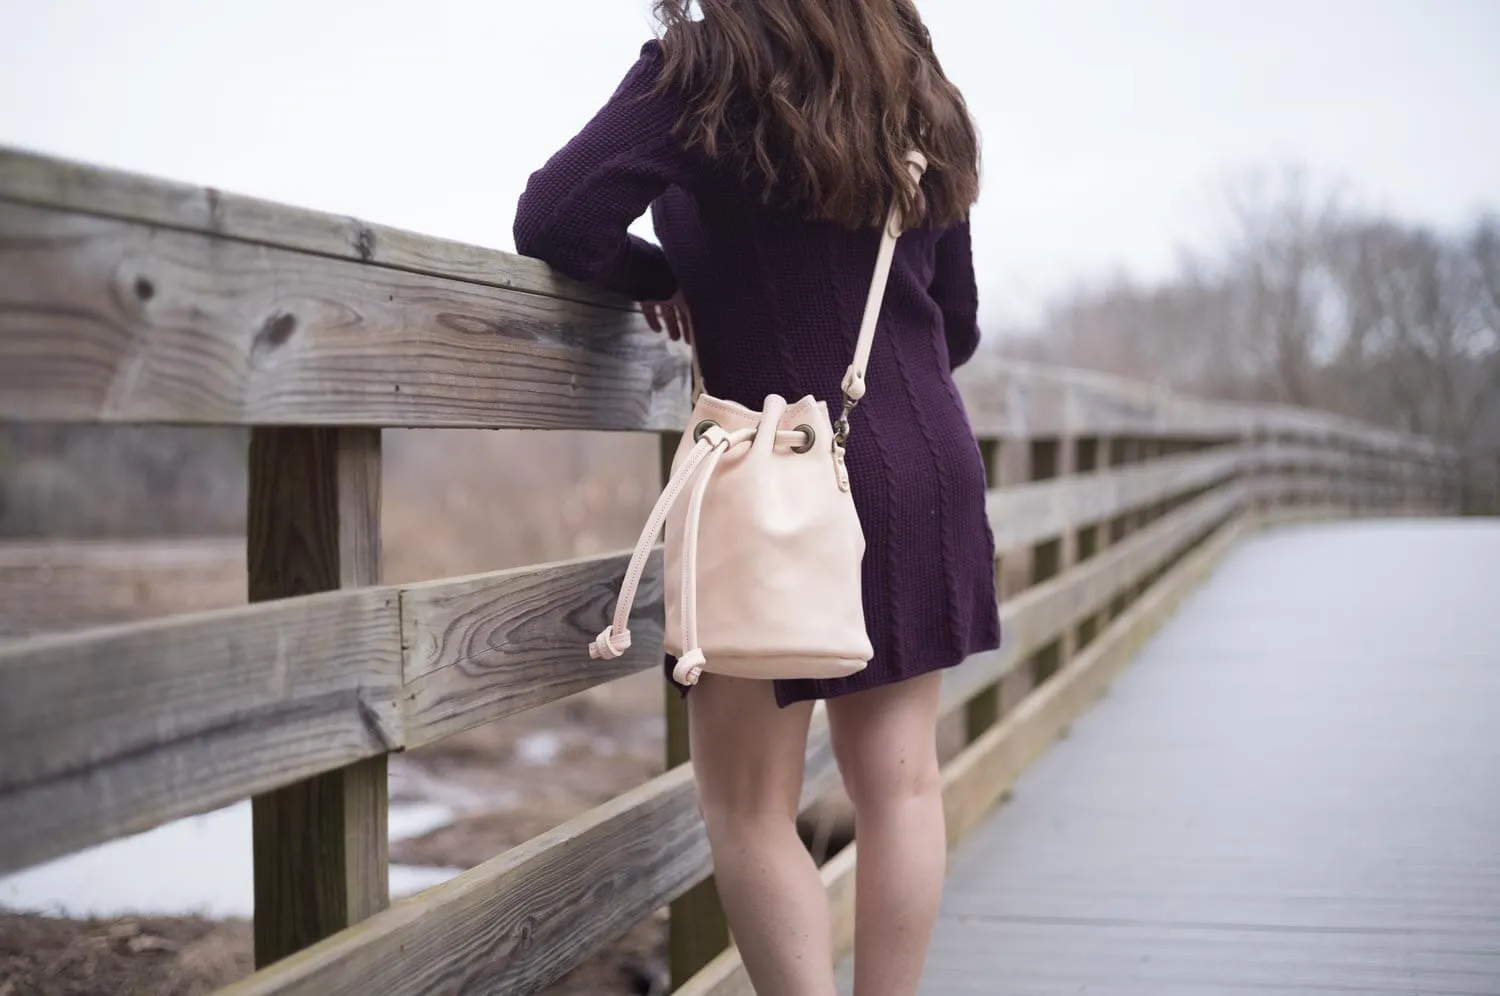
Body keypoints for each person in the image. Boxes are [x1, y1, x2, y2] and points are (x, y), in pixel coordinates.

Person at [513, 2, 1000, 992]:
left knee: (746, 803)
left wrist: (666, 277)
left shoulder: (702, 69)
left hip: (776, 471)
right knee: (901, 785)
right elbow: (955, 323)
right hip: (925, 464)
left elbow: (558, 217)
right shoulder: (915, 83)